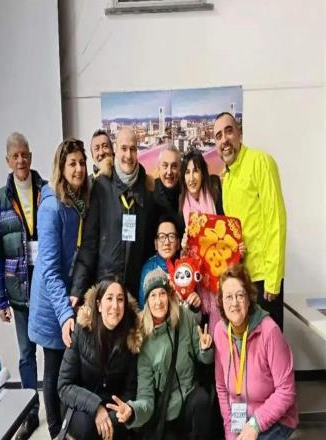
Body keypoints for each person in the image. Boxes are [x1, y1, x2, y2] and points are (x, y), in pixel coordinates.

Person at [0, 132, 45, 440]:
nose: (21, 160)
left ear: (30, 157)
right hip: (18, 292)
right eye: (15, 156)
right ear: (8, 161)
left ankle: (59, 409)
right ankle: (30, 412)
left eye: (25, 154)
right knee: (25, 355)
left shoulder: (46, 192)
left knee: (56, 353)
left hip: (46, 289)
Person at [106, 268, 213, 440]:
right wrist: (132, 411)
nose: (158, 302)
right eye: (153, 296)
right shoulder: (142, 337)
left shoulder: (184, 316)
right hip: (166, 411)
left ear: (169, 295)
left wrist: (205, 349)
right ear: (147, 301)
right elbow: (146, 397)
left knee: (202, 401)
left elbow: (204, 359)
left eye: (162, 294)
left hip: (190, 395)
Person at [28, 138, 89, 439]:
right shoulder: (52, 207)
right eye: (72, 164)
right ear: (61, 168)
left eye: (81, 163)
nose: (78, 169)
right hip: (52, 303)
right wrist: (65, 313)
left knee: (67, 371)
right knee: (53, 372)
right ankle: (55, 432)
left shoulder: (77, 202)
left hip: (68, 299)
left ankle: (66, 427)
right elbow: (50, 270)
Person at [214, 112, 287, 330]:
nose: (224, 140)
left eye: (228, 131)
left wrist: (273, 278)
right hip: (241, 280)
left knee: (269, 342)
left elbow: (276, 219)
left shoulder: (260, 162)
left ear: (239, 133)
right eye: (218, 136)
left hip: (263, 278)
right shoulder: (226, 178)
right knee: (247, 343)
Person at [71, 126, 156, 300]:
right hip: (105, 288)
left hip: (134, 290)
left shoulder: (147, 189)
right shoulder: (101, 186)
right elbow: (89, 244)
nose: (128, 155)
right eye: (124, 148)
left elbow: (148, 246)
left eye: (133, 149)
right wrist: (77, 289)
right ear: (115, 150)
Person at [214, 264, 297, 440]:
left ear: (249, 299)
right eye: (228, 297)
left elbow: (286, 390)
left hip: (276, 419)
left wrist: (255, 425)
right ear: (221, 302)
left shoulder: (269, 331)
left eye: (240, 295)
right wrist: (230, 434)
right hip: (241, 419)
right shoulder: (220, 331)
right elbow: (222, 389)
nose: (234, 303)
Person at [58, 277, 142, 440]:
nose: (115, 306)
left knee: (118, 427)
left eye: (120, 300)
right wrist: (96, 407)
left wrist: (118, 413)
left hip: (113, 407)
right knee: (88, 428)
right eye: (109, 298)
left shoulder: (132, 337)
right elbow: (64, 385)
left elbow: (131, 389)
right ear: (99, 305)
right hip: (80, 405)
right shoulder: (81, 330)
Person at [179, 148, 224, 337]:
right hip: (196, 284)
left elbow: (227, 234)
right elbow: (180, 258)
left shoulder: (216, 197)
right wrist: (183, 248)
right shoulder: (182, 206)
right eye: (187, 172)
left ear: (203, 173)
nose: (191, 178)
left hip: (219, 275)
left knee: (220, 332)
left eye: (195, 171)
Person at [138, 214, 201, 312]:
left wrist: (195, 306)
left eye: (171, 236)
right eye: (162, 237)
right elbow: (144, 309)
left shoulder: (187, 267)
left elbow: (195, 314)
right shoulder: (149, 269)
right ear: (155, 243)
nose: (167, 242)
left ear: (178, 243)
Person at [153, 145, 182, 218]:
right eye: (165, 166)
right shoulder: (149, 192)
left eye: (174, 166)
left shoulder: (186, 193)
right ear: (159, 167)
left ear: (180, 168)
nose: (169, 172)